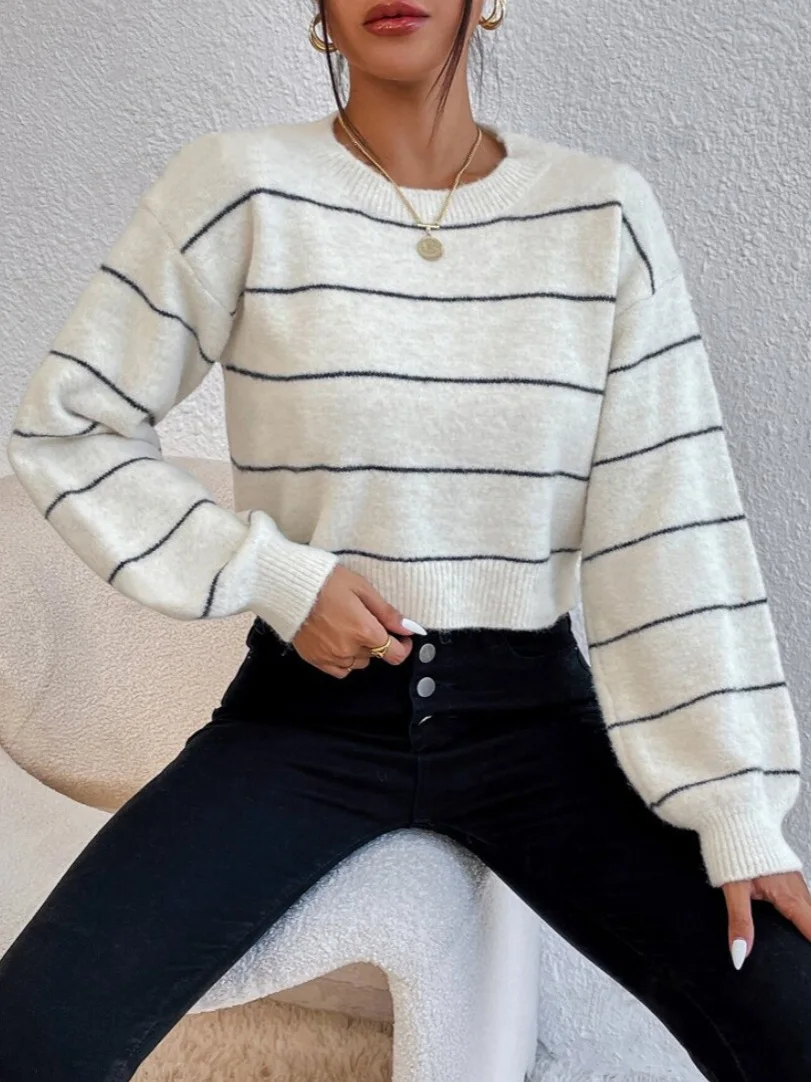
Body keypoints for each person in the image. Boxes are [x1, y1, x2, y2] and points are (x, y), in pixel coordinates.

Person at [2, 1, 810, 1078]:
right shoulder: (239, 188)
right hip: (305, 721)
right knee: (34, 1036)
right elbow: (69, 427)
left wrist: (737, 807)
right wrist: (274, 575)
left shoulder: (598, 213)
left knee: (794, 1013)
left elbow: (673, 513)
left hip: (535, 722)